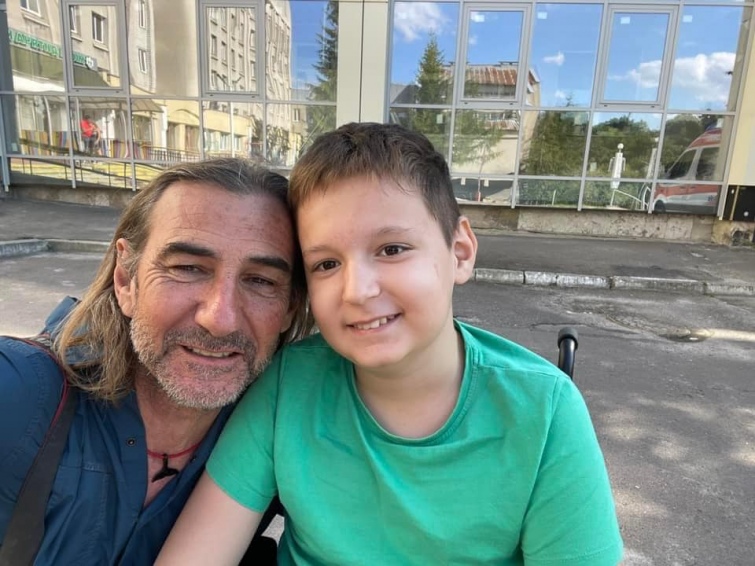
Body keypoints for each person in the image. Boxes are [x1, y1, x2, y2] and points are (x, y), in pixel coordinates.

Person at [157, 123, 624, 565]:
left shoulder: (545, 413)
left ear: (460, 252)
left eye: (392, 249)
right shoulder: (289, 387)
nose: (357, 291)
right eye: (326, 264)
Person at [0, 158, 310, 564]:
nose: (220, 319)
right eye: (188, 268)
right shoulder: (18, 393)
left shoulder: (286, 432)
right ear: (125, 280)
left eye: (261, 281)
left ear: (290, 307)